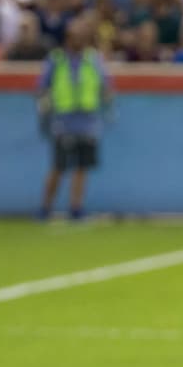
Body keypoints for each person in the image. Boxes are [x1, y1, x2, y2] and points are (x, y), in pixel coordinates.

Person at [36, 16, 113, 221]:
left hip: (87, 120)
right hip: (63, 120)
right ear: (67, 38)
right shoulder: (57, 59)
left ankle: (76, 207)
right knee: (59, 166)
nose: (77, 41)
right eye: (74, 37)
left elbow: (105, 84)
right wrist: (43, 106)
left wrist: (107, 102)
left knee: (82, 167)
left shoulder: (93, 59)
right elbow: (43, 85)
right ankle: (45, 207)